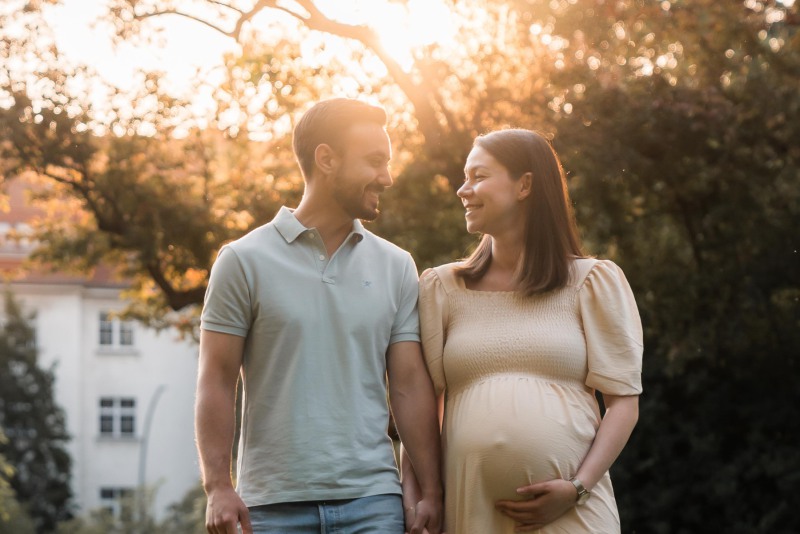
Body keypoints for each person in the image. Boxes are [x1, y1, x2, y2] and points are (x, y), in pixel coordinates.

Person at [195, 98, 443, 534]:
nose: (387, 177)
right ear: (326, 159)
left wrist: (432, 490)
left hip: (373, 503)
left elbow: (408, 385)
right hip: (270, 508)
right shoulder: (242, 260)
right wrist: (218, 486)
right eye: (374, 162)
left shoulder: (397, 265)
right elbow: (215, 378)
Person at [405, 128, 643, 533]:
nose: (463, 190)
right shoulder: (442, 288)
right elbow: (420, 407)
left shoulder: (591, 282)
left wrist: (577, 487)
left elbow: (623, 404)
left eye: (478, 176)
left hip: (573, 513)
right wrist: (421, 495)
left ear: (525, 185)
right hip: (472, 508)